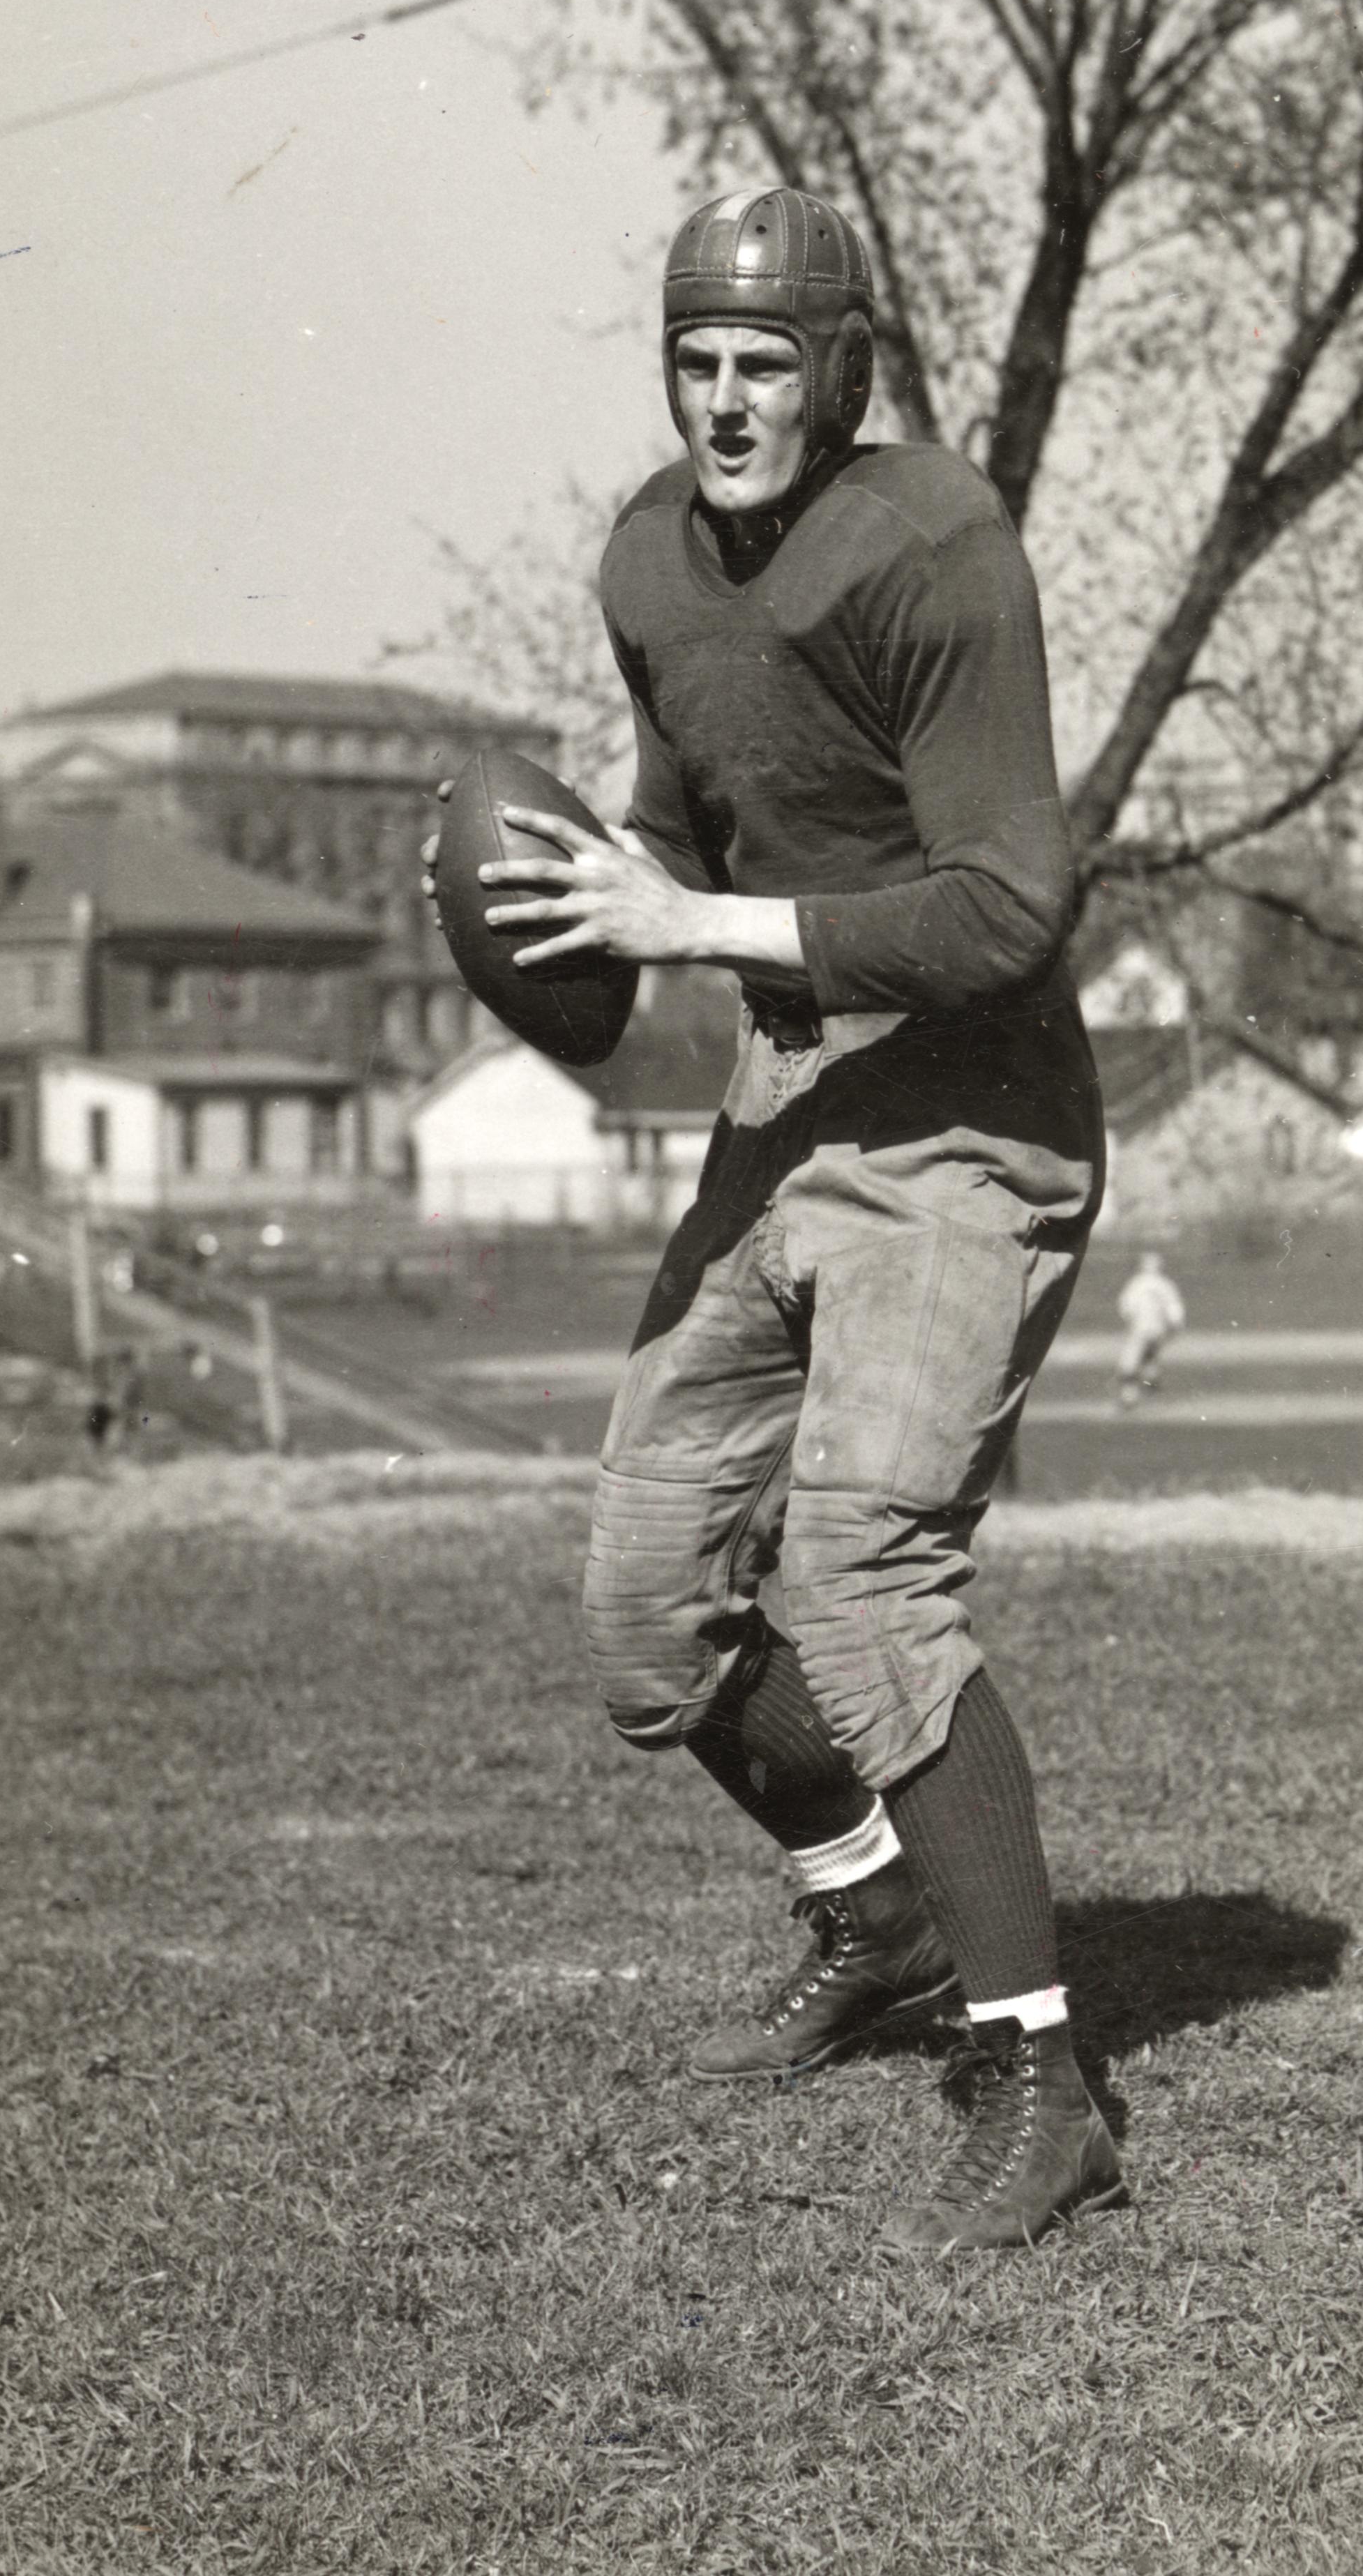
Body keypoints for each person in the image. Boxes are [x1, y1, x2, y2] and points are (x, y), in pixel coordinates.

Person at [435, 188, 1124, 2252]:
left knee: (860, 1573)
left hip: (964, 1129)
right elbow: (670, 822)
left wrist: (700, 921)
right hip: (780, 1106)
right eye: (695, 361)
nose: (724, 402)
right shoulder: (648, 550)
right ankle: (877, 1911)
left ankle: (1037, 2072)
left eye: (764, 364)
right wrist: (548, 884)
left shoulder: (933, 544)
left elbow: (1009, 904)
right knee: (645, 1607)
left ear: (838, 370)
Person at [1115, 1250, 1186, 1411]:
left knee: (1130, 1361)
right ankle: (1151, 1395)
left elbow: (1126, 1307)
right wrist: (1175, 1327)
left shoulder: (1137, 1283)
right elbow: (1175, 1310)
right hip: (1158, 1329)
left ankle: (1130, 1398)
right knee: (1150, 1360)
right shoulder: (1165, 1284)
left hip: (1140, 1328)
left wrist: (1131, 1320)